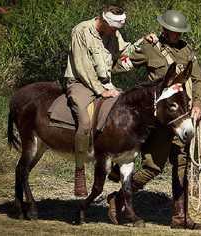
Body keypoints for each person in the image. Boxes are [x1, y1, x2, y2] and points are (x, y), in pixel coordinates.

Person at [108, 10, 201, 229]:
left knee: (182, 162)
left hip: (181, 116)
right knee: (153, 167)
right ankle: (118, 198)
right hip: (161, 118)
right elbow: (117, 65)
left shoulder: (187, 50)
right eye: (172, 32)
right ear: (165, 29)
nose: (175, 35)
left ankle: (180, 217)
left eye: (178, 33)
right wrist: (104, 84)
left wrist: (197, 104)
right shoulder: (149, 48)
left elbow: (198, 79)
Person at [62, 5, 133, 197]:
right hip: (81, 82)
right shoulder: (81, 30)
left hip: (106, 84)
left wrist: (146, 42)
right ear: (103, 20)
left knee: (127, 116)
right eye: (113, 28)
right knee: (84, 123)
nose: (115, 32)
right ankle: (79, 169)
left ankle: (118, 162)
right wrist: (101, 91)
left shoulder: (113, 32)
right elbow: (82, 65)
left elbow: (126, 49)